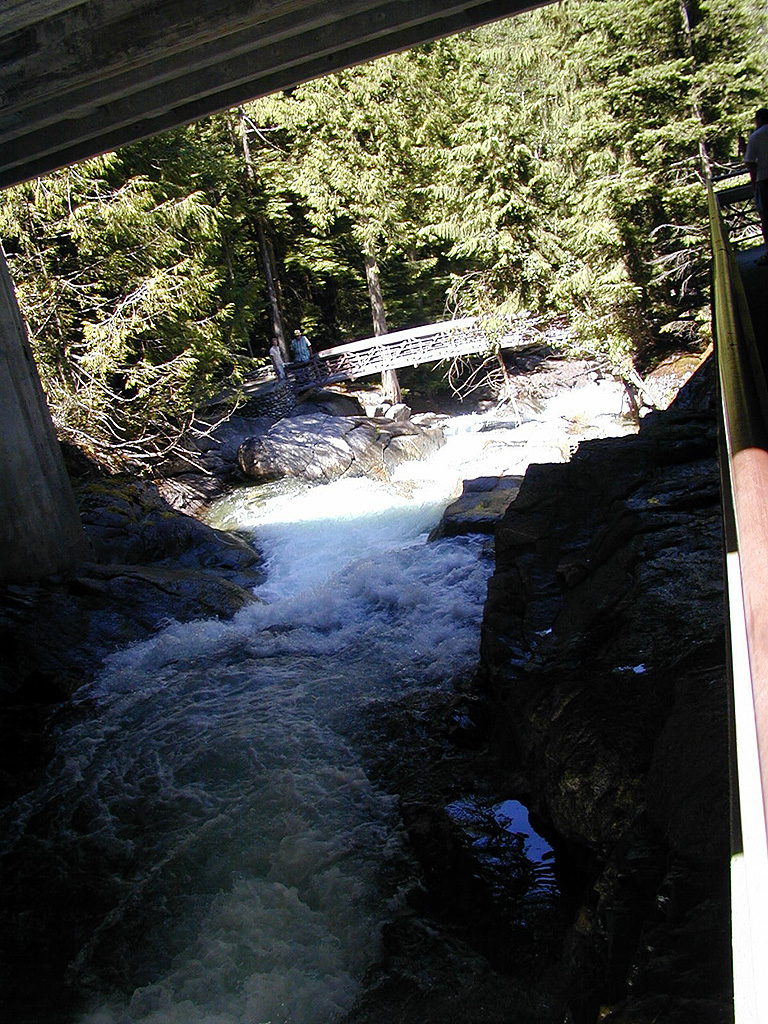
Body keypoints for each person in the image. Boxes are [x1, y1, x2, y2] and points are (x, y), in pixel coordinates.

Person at [744, 106, 768, 265]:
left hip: (764, 179)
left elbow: (750, 162)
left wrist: (753, 184)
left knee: (766, 217)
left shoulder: (756, 136)